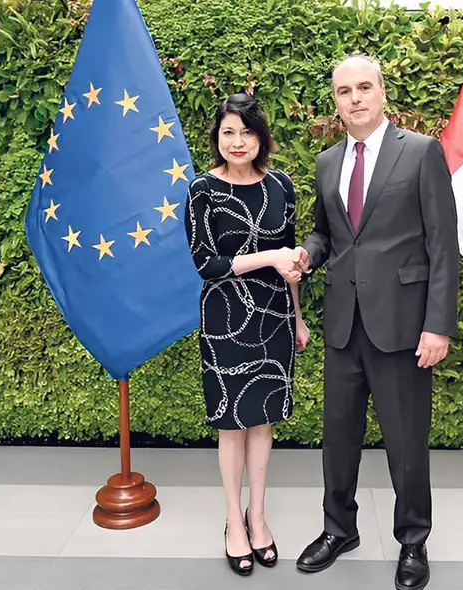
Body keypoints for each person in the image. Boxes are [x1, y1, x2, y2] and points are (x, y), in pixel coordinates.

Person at [293, 55, 459, 590]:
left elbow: (442, 246)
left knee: (406, 442)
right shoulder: (326, 163)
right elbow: (328, 235)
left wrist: (438, 325)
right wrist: (307, 254)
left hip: (404, 326)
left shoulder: (422, 153)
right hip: (344, 322)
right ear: (336, 102)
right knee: (337, 437)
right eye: (344, 91)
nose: (355, 98)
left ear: (382, 93)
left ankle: (413, 540)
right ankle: (339, 529)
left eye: (364, 87)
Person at [183, 93, 311, 577]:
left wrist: (297, 312)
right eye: (228, 133)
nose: (238, 142)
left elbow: (290, 263)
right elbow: (206, 264)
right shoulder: (202, 191)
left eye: (247, 132)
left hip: (275, 318)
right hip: (225, 320)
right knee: (231, 424)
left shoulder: (282, 186)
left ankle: (259, 517)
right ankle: (233, 523)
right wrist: (270, 257)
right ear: (217, 139)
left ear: (261, 136)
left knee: (263, 422)